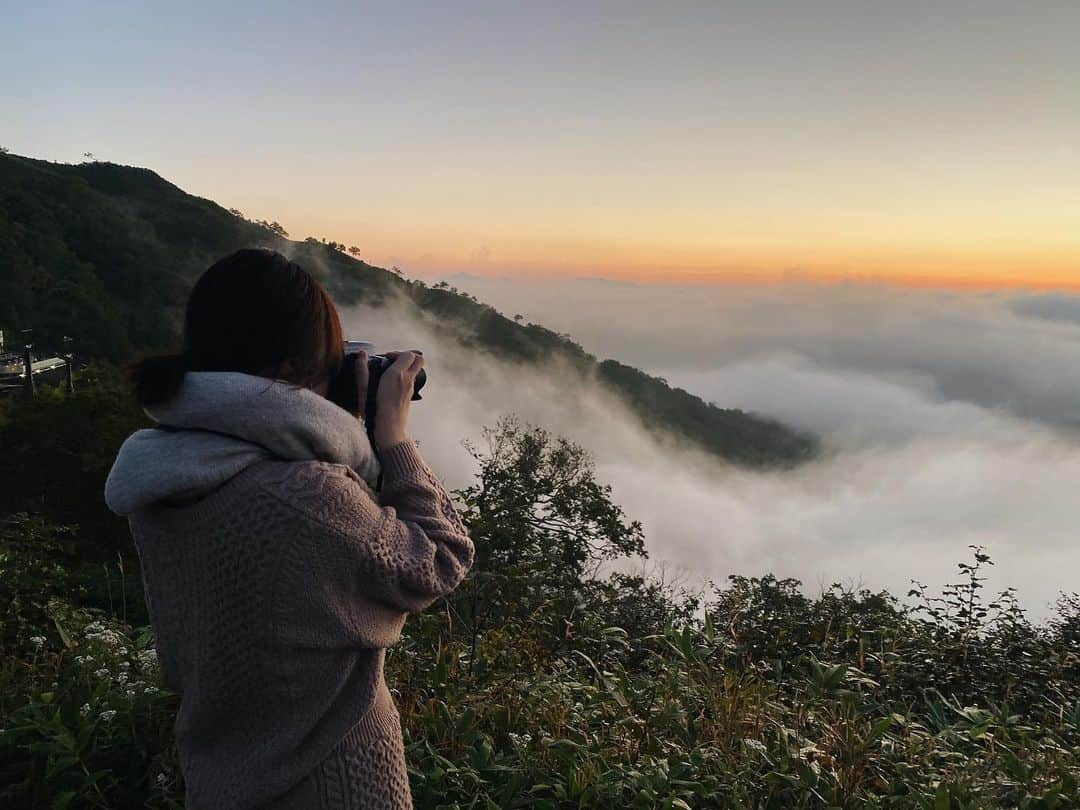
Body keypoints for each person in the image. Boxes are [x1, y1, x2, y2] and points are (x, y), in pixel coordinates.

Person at [104, 249, 474, 809]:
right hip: (332, 784)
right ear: (293, 372)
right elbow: (440, 559)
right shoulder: (305, 497)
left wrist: (338, 429)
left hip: (219, 775)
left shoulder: (167, 474)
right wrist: (393, 438)